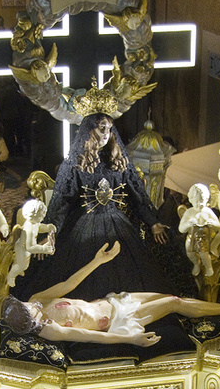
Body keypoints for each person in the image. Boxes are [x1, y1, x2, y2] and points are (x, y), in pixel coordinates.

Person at [13, 112, 179, 302]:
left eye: (109, 129)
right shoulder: (76, 163)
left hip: (117, 223)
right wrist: (51, 232)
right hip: (83, 225)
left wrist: (153, 222)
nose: (106, 133)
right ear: (90, 131)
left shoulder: (119, 161)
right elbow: (63, 202)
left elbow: (137, 195)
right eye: (102, 128)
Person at [2, 241, 220, 348]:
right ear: (32, 318)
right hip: (118, 320)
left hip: (113, 302)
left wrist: (98, 261)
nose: (30, 303)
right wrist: (131, 340)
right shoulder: (49, 330)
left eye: (24, 302)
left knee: (167, 297)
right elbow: (91, 338)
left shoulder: (38, 298)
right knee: (174, 303)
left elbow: (69, 283)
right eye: (28, 307)